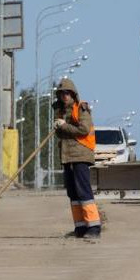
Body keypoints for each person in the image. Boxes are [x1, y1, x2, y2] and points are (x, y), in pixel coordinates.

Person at [52, 78, 102, 239]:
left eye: (67, 93)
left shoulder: (81, 108)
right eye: (61, 93)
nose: (64, 96)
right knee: (72, 193)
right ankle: (80, 227)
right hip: (67, 156)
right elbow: (63, 134)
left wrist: (64, 125)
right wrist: (58, 127)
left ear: (73, 94)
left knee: (83, 191)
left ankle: (93, 227)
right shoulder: (60, 111)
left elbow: (84, 130)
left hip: (80, 155)